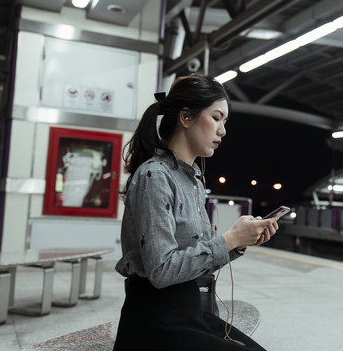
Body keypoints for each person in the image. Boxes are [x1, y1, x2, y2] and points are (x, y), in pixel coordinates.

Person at [113, 75, 278, 350]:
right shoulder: (155, 176)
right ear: (186, 117)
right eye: (216, 118)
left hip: (191, 312)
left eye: (225, 121)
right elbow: (162, 270)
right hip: (156, 322)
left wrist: (239, 241)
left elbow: (194, 257)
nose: (223, 130)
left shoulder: (192, 180)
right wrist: (229, 240)